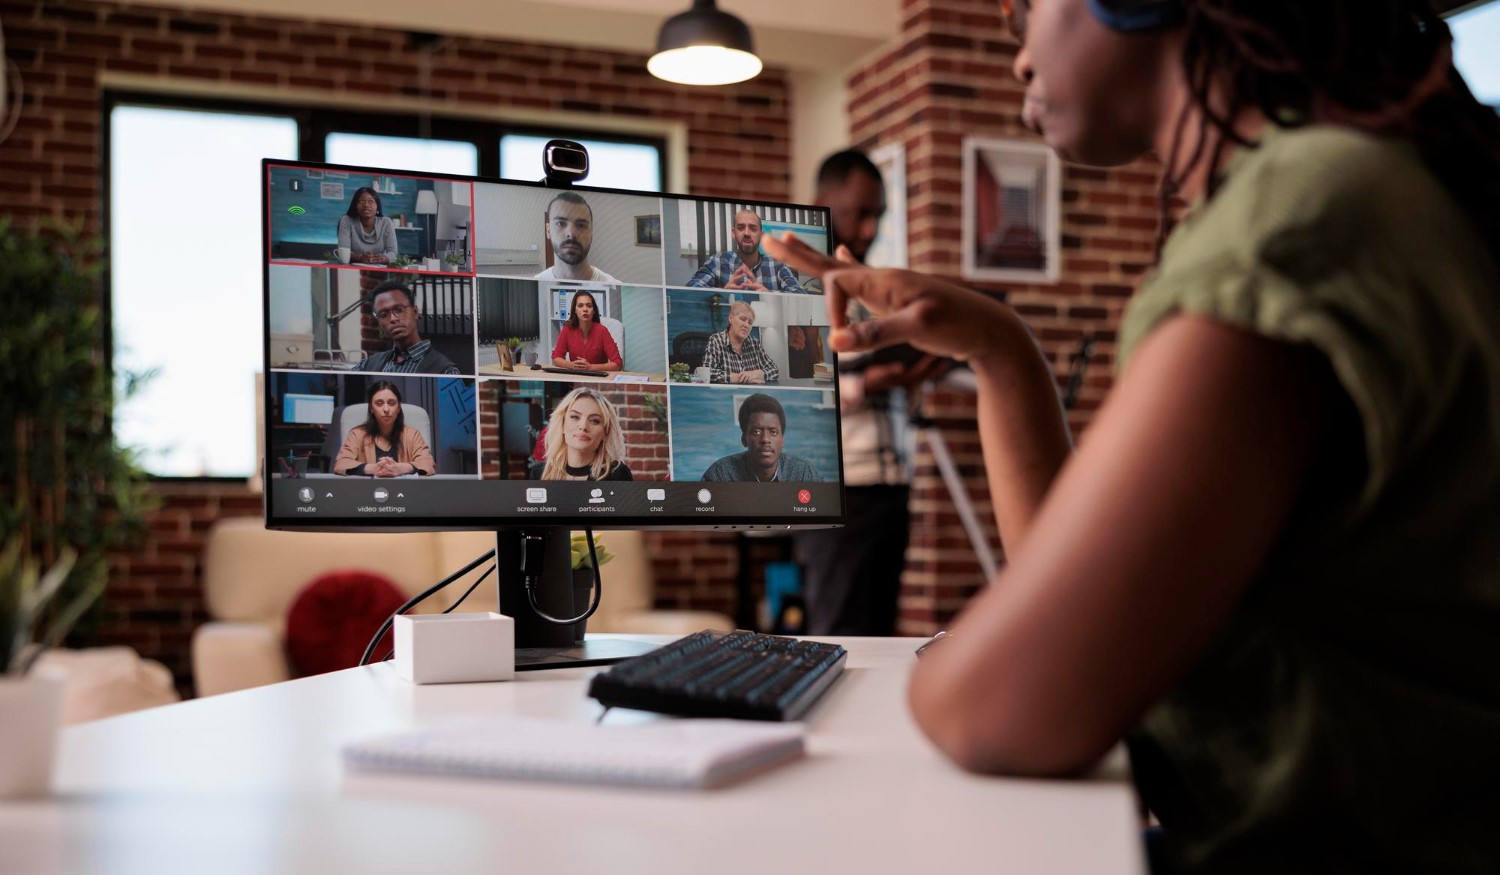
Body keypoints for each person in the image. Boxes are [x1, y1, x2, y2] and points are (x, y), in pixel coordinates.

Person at [764, 1, 1500, 871]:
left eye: (1026, 8)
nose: (1018, 56)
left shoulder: (1302, 214)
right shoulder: (1344, 183)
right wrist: (1001, 348)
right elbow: (1082, 644)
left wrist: (951, 668)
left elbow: (1007, 706)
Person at [791, 148, 947, 637]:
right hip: (839, 495)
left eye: (877, 216)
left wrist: (917, 373)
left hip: (891, 484)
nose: (868, 230)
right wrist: (868, 383)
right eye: (860, 213)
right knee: (841, 635)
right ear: (822, 202)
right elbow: (797, 394)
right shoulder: (796, 292)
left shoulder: (877, 292)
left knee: (880, 637)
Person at [701, 393, 822, 482]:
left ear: (782, 440)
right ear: (744, 439)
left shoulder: (804, 474)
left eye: (773, 432)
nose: (765, 439)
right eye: (757, 432)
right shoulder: (720, 475)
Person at [686, 208, 807, 293]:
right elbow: (691, 289)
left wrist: (769, 295)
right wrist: (723, 293)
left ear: (761, 235)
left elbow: (799, 294)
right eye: (741, 228)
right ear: (734, 233)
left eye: (753, 228)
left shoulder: (776, 264)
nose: (747, 233)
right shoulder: (718, 261)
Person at [332, 380, 435, 477]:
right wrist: (373, 469)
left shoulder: (412, 434)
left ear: (398, 408)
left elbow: (428, 464)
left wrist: (400, 468)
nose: (386, 409)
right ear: (371, 408)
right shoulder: (357, 434)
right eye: (379, 403)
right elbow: (340, 464)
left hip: (404, 491)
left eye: (391, 403)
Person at [357, 281, 461, 375]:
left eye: (399, 310)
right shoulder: (371, 363)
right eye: (384, 314)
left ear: (415, 312)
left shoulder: (445, 370)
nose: (393, 319)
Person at [536, 387, 632, 481]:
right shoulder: (538, 473)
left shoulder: (617, 474)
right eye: (575, 417)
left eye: (594, 421)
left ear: (605, 432)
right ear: (562, 424)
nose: (583, 426)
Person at [534, 192, 620, 283]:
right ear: (548, 230)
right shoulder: (534, 286)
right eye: (560, 223)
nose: (571, 233)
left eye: (581, 225)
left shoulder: (616, 289)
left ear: (591, 232)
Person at [700, 300, 779, 385]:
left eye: (750, 322)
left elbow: (774, 370)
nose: (746, 325)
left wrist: (756, 374)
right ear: (731, 319)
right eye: (743, 319)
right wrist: (741, 378)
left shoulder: (755, 343)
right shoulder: (716, 340)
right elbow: (705, 374)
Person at [550, 290, 622, 372]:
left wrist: (590, 367)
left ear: (594, 311)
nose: (585, 309)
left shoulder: (602, 331)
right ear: (575, 311)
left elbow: (618, 363)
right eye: (580, 306)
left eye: (589, 306)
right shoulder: (567, 329)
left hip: (598, 379)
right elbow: (556, 357)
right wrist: (571, 365)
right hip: (576, 378)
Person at [337, 187, 398, 266]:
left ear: (377, 207)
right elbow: (344, 250)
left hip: (379, 269)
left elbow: (393, 253)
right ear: (355, 205)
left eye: (371, 201)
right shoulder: (346, 220)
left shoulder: (386, 223)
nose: (366, 205)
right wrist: (359, 257)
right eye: (361, 201)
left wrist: (382, 258)